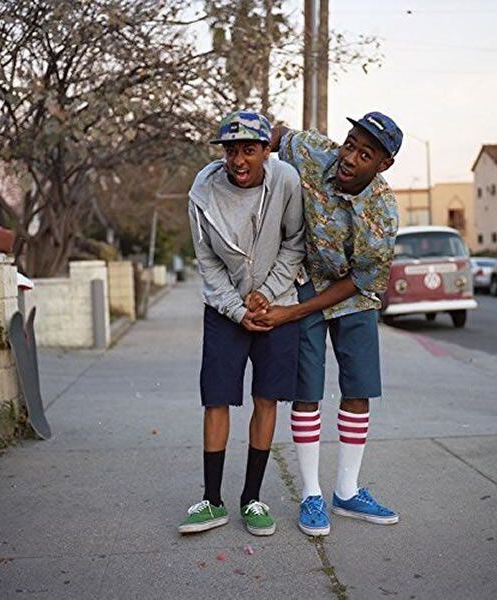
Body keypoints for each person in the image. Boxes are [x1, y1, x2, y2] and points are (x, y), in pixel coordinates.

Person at [255, 111, 403, 536]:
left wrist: (293, 313)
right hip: (306, 279)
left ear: (384, 164)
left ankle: (347, 491)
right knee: (307, 389)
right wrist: (252, 140)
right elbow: (277, 135)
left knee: (359, 388)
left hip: (352, 294)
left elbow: (360, 280)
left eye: (365, 154)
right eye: (350, 143)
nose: (350, 157)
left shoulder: (383, 213)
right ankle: (311, 495)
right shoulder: (314, 151)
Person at [177, 110, 305, 537]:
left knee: (266, 399)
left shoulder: (285, 181)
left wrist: (266, 293)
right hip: (225, 310)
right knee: (216, 399)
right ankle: (212, 501)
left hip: (277, 306)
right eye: (231, 150)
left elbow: (294, 243)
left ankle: (252, 498)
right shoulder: (202, 192)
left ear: (266, 150)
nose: (238, 160)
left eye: (249, 150)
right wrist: (237, 309)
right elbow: (208, 262)